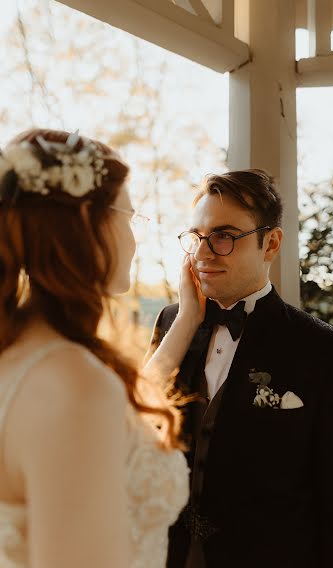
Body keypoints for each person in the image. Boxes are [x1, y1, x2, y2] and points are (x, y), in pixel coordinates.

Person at [146, 169, 333, 568]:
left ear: (270, 243)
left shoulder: (325, 350)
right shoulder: (172, 323)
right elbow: (133, 425)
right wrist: (187, 318)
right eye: (196, 237)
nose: (203, 254)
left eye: (223, 236)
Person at [0, 128, 200, 568]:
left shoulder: (23, 357)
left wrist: (186, 320)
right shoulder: (74, 387)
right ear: (90, 224)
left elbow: (126, 402)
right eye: (129, 216)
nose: (134, 237)